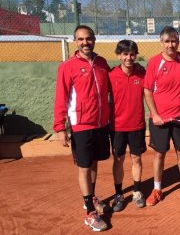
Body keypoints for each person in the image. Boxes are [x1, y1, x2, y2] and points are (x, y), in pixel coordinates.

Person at [53, 25, 110, 231]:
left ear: (94, 39)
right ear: (75, 41)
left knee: (94, 163)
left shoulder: (102, 63)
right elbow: (61, 98)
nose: (85, 42)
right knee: (84, 167)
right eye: (80, 39)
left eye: (88, 38)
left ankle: (92, 197)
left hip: (101, 124)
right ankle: (89, 212)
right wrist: (60, 127)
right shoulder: (67, 67)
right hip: (81, 125)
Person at [143, 26, 180, 206]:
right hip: (160, 118)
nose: (171, 45)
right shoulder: (154, 62)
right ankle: (157, 188)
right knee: (159, 154)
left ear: (178, 42)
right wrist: (155, 115)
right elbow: (147, 91)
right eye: (167, 41)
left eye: (174, 41)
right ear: (161, 42)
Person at [108, 40, 146, 211]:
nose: (128, 58)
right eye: (125, 54)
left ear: (135, 55)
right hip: (117, 127)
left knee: (136, 159)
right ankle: (119, 194)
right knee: (118, 160)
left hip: (137, 125)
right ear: (119, 55)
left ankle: (137, 191)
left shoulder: (142, 73)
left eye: (132, 54)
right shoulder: (110, 75)